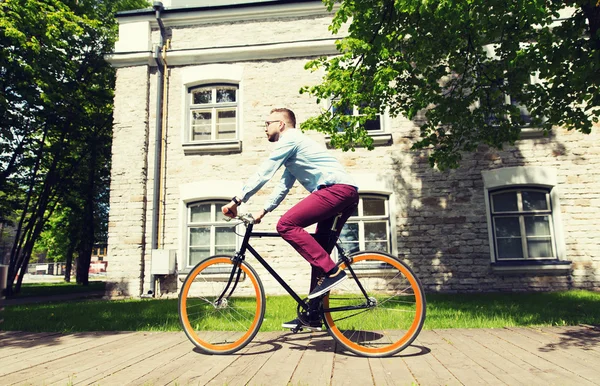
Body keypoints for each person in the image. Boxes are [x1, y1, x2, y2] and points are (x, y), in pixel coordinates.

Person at [222, 107, 359, 330]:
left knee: (286, 225)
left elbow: (265, 171)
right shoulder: (295, 150)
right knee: (320, 255)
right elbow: (283, 186)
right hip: (346, 193)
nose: (265, 128)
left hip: (336, 191)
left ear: (281, 124)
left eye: (267, 123)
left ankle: (333, 271)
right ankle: (313, 314)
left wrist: (237, 200)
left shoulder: (291, 139)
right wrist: (263, 211)